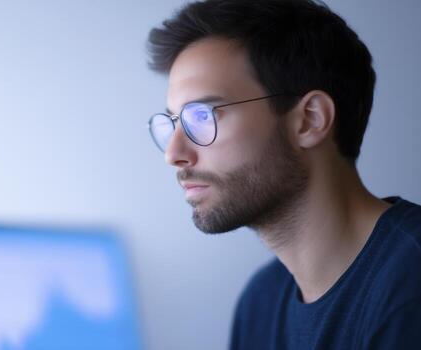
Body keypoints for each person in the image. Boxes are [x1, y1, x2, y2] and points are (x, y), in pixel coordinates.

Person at [146, 0, 421, 348]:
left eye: (203, 116)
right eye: (172, 123)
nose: (174, 154)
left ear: (310, 120)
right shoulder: (260, 302)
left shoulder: (409, 287)